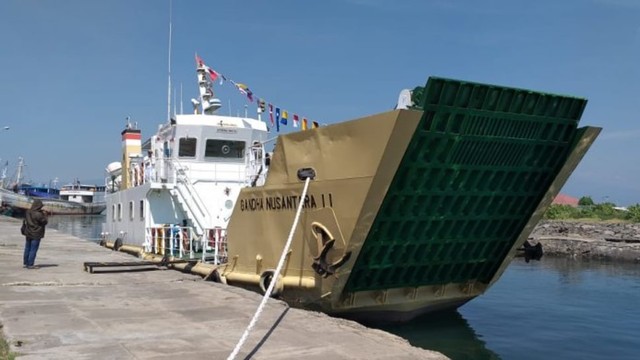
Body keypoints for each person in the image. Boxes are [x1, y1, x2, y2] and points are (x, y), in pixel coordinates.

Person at [23, 199, 48, 269]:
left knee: (27, 248)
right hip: (36, 233)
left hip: (28, 232)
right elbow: (44, 222)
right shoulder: (39, 214)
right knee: (33, 249)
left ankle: (26, 263)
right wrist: (45, 215)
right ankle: (30, 264)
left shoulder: (28, 212)